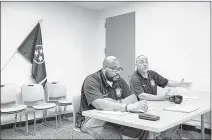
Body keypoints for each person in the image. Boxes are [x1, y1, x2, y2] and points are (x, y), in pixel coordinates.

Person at [78, 56, 153, 139]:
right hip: (90, 120)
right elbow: (99, 104)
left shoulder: (117, 79)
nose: (118, 72)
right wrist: (126, 107)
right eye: (114, 69)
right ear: (104, 68)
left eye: (119, 69)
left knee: (143, 130)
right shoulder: (92, 80)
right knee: (115, 137)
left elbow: (133, 97)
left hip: (113, 117)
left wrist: (115, 103)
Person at [129, 55, 192, 139]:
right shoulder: (134, 78)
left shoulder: (151, 74)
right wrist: (162, 98)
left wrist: (179, 84)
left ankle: (161, 136)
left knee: (176, 116)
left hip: (154, 106)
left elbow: (166, 82)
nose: (145, 64)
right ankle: (160, 136)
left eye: (146, 62)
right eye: (141, 62)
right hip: (142, 109)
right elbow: (142, 96)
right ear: (136, 64)